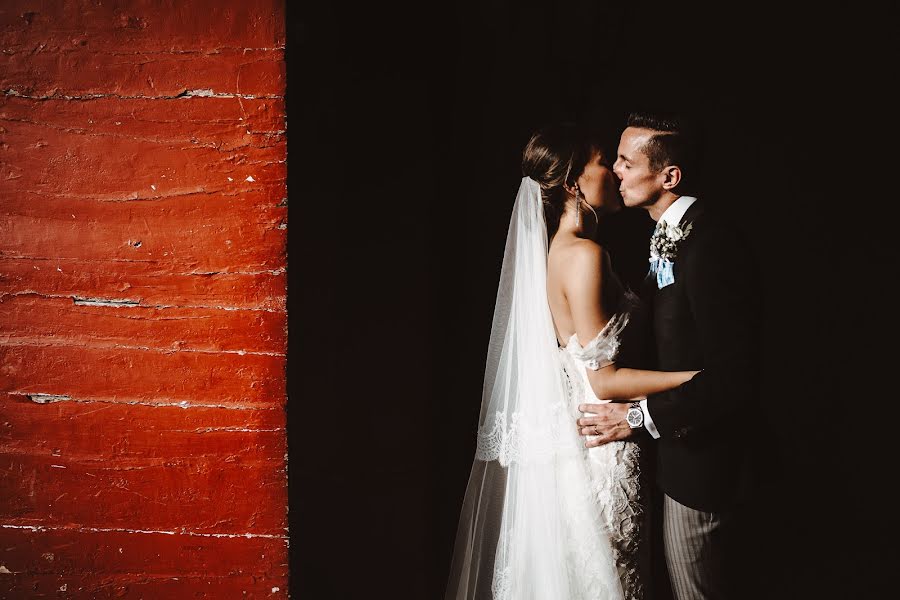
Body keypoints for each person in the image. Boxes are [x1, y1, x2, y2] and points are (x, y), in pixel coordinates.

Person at [445, 123, 701, 600]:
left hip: (588, 433)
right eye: (606, 161)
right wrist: (697, 379)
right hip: (604, 438)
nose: (616, 171)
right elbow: (603, 381)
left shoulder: (564, 252)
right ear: (572, 183)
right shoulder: (583, 256)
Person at [578, 112, 760, 599]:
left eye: (625, 161)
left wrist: (636, 416)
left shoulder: (711, 242)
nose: (615, 170)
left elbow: (733, 377)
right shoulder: (667, 236)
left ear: (668, 177)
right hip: (674, 458)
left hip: (704, 466)